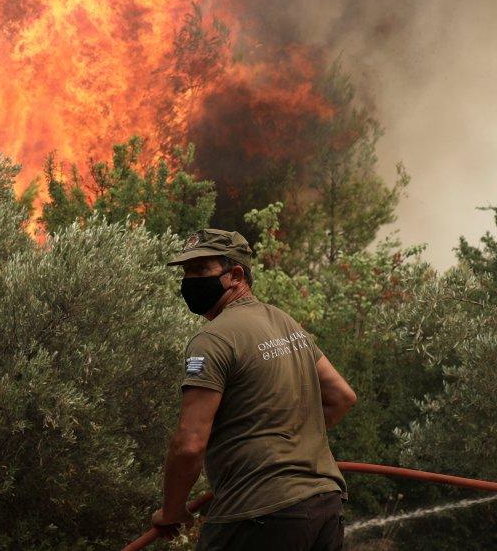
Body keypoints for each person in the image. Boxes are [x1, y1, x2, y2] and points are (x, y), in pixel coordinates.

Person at [150, 228, 358, 551]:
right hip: (325, 507)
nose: (189, 281)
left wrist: (172, 511)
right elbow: (342, 398)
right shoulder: (285, 322)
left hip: (258, 515)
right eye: (187, 272)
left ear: (235, 274)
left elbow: (189, 444)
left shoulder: (212, 339)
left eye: (201, 270)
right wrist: (285, 438)